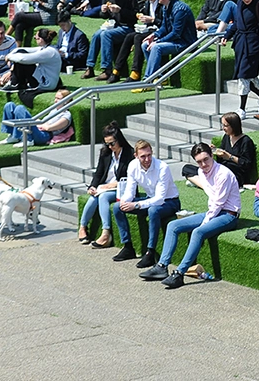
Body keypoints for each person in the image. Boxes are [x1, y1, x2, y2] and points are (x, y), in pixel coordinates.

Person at [140, 142, 242, 287]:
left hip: (229, 215)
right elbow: (213, 202)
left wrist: (205, 221)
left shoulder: (223, 174)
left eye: (206, 159)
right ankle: (162, 266)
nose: (203, 164)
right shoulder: (201, 172)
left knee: (198, 232)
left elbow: (218, 202)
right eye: (199, 161)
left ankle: (179, 273)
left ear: (212, 156)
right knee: (173, 225)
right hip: (214, 211)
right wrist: (207, 217)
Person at [113, 139, 182, 269]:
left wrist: (136, 205)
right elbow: (130, 190)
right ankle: (128, 246)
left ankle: (150, 252)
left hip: (170, 202)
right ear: (136, 156)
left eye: (149, 155)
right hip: (150, 199)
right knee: (117, 207)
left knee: (153, 211)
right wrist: (125, 200)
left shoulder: (162, 167)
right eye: (143, 156)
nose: (146, 159)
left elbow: (160, 199)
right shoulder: (133, 166)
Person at [79, 121, 134, 247]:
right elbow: (99, 173)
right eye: (107, 143)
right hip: (104, 187)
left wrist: (111, 185)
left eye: (112, 143)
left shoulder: (129, 154)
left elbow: (129, 178)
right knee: (94, 197)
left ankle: (106, 232)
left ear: (119, 140)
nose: (110, 146)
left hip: (121, 188)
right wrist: (92, 186)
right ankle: (82, 227)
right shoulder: (106, 153)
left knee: (102, 196)